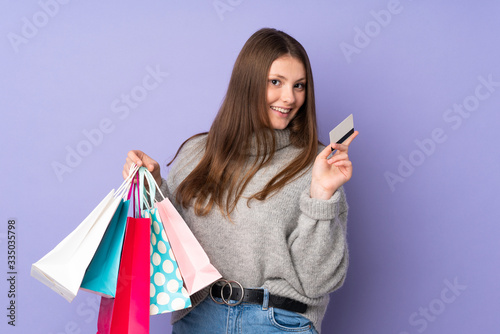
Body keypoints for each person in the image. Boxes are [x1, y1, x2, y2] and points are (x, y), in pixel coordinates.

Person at [123, 27, 358, 334]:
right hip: (199, 319)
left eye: (299, 86)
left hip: (278, 323)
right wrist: (152, 188)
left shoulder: (313, 165)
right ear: (247, 83)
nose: (290, 98)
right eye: (276, 82)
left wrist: (322, 195)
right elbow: (171, 253)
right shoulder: (198, 154)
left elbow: (318, 281)